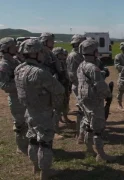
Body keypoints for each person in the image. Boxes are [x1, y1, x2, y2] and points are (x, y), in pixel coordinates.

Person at [15, 38, 65, 179]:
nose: (43, 55)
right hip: (43, 112)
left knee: (32, 139)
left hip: (28, 111)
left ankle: (35, 166)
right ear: (35, 54)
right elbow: (59, 89)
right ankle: (45, 172)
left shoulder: (19, 68)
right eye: (41, 52)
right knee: (45, 142)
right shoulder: (39, 72)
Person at [77, 39, 116, 162]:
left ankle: (89, 148)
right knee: (98, 128)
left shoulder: (81, 65)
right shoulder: (93, 68)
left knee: (88, 123)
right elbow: (101, 85)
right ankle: (101, 154)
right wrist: (108, 95)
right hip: (94, 99)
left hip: (84, 98)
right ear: (93, 52)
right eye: (96, 50)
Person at [0, 37, 28, 155]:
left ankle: (27, 144)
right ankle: (21, 148)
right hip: (15, 98)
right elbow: (5, 85)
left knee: (27, 121)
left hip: (23, 96)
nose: (16, 48)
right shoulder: (4, 65)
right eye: (13, 47)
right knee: (20, 123)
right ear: (6, 49)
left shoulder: (15, 61)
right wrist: (22, 84)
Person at [66, 34, 86, 143]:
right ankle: (80, 134)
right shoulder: (74, 56)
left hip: (80, 84)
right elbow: (73, 74)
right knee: (82, 110)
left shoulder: (78, 54)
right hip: (79, 85)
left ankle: (81, 132)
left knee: (83, 110)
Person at [52, 47, 74, 124]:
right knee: (57, 108)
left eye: (63, 54)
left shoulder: (64, 63)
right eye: (61, 54)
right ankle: (56, 126)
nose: (63, 56)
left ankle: (65, 118)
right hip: (58, 88)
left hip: (65, 86)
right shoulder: (53, 64)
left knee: (66, 104)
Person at [114, 42, 124, 111]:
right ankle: (119, 104)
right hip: (122, 75)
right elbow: (117, 66)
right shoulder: (118, 56)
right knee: (120, 90)